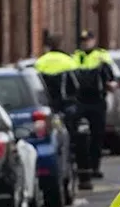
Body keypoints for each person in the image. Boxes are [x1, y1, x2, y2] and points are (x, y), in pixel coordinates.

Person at [33, 35, 84, 186]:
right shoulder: (69, 61)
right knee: (72, 139)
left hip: (48, 108)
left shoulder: (40, 62)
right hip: (66, 107)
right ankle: (74, 168)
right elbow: (75, 86)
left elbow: (37, 88)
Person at [74, 30, 118, 187]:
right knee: (79, 136)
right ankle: (82, 168)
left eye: (88, 40)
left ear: (94, 40)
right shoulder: (75, 57)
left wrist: (111, 84)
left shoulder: (102, 56)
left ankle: (95, 167)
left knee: (97, 135)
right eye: (83, 40)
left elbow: (111, 77)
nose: (85, 43)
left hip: (97, 101)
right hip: (80, 101)